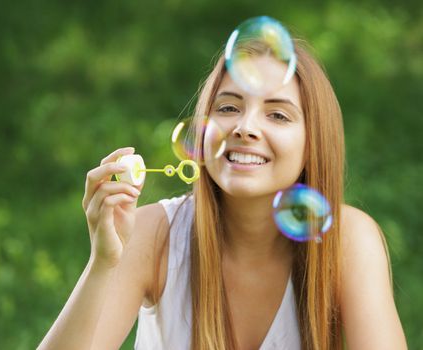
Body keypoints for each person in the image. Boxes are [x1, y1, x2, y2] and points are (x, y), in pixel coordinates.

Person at [37, 38, 407, 349]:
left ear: (313, 142)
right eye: (229, 107)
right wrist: (103, 263)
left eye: (277, 115)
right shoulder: (153, 234)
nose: (245, 127)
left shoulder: (346, 241)